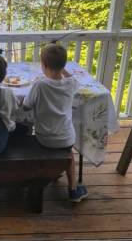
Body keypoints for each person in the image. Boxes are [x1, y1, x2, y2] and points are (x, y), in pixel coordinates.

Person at [23, 43, 88, 202]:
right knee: (69, 156)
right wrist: (62, 68)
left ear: (43, 65)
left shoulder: (39, 84)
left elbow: (26, 106)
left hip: (43, 138)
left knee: (51, 149)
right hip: (66, 139)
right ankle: (73, 190)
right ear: (64, 65)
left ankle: (50, 173)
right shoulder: (71, 84)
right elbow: (72, 78)